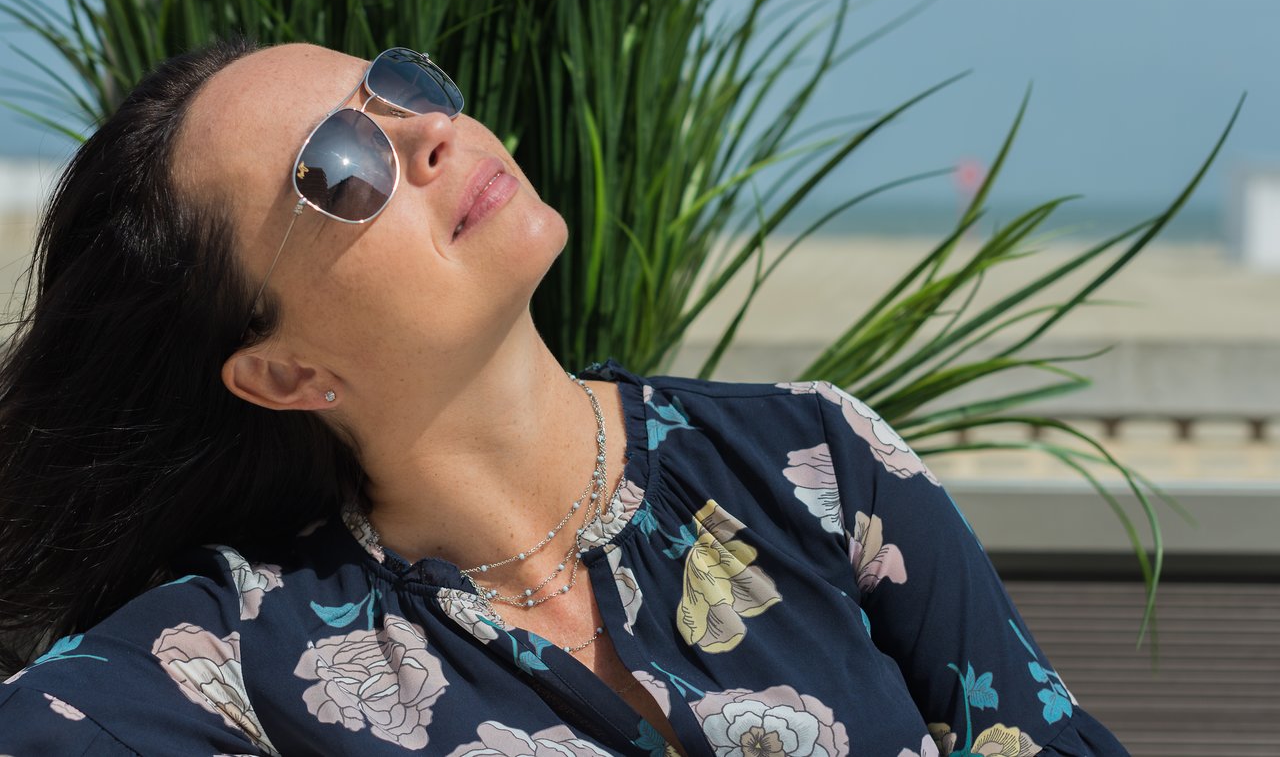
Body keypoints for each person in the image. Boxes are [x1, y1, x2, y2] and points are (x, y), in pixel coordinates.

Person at [0, 40, 1128, 756]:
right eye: (341, 166)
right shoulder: (237, 658)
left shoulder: (813, 460)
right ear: (285, 373)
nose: (430, 134)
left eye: (395, 87)